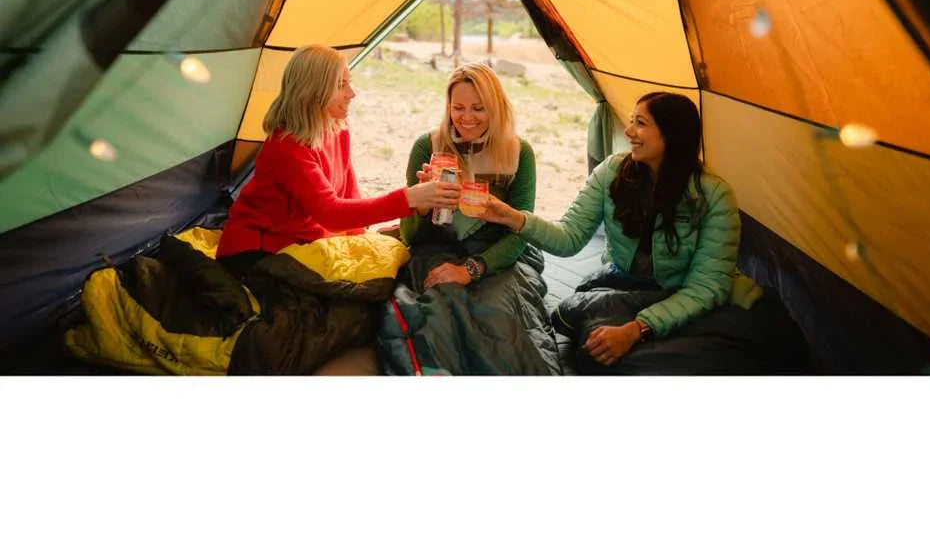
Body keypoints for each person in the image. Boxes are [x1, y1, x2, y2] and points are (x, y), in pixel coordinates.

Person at [476, 91, 767, 371]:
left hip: (682, 293)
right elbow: (569, 238)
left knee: (745, 340)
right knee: (596, 352)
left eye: (640, 123)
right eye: (630, 121)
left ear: (672, 134)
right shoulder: (612, 173)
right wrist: (512, 217)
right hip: (625, 286)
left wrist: (637, 328)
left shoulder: (714, 195)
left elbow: (706, 287)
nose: (628, 132)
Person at [215, 45, 460, 268]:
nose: (351, 93)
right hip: (257, 251)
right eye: (341, 85)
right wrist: (409, 198)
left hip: (303, 245)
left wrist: (363, 244)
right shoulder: (286, 146)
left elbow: (348, 195)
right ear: (314, 91)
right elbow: (331, 213)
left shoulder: (336, 129)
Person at [400, 62, 536, 288]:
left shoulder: (519, 153)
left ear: (496, 107)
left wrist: (471, 269)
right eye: (458, 108)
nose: (467, 117)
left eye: (478, 108)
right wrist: (420, 206)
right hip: (435, 251)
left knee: (496, 315)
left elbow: (521, 232)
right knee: (437, 306)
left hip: (495, 257)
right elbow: (409, 237)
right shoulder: (427, 146)